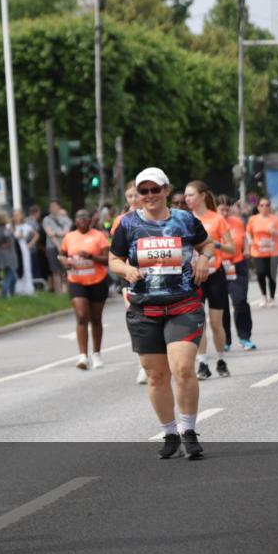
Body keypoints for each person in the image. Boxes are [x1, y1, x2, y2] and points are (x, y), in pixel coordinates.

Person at [109, 168, 214, 460]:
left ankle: (189, 431)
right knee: (156, 376)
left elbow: (207, 243)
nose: (150, 196)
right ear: (138, 195)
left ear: (166, 189)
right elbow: (114, 259)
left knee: (182, 369)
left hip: (183, 304)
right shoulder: (128, 224)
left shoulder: (183, 219)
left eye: (155, 190)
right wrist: (126, 269)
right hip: (145, 309)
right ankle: (169, 433)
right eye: (144, 191)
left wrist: (204, 258)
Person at [185, 181, 234, 379]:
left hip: (215, 275)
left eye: (191, 195)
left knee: (215, 323)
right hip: (195, 276)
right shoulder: (184, 219)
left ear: (202, 196)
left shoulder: (217, 219)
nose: (187, 199)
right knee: (199, 322)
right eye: (185, 195)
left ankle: (221, 359)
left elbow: (233, 248)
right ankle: (203, 363)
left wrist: (215, 245)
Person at [58, 209, 110, 369]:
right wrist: (65, 262)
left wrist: (91, 257)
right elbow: (61, 255)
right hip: (76, 280)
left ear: (90, 220)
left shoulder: (98, 236)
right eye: (79, 218)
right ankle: (82, 356)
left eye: (85, 217)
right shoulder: (69, 237)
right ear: (75, 221)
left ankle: (97, 354)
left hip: (97, 281)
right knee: (81, 316)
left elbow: (108, 259)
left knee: (96, 319)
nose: (82, 220)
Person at [114, 181, 148, 385]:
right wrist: (126, 269)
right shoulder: (122, 220)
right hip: (131, 278)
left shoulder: (155, 217)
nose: (134, 200)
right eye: (130, 196)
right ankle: (142, 364)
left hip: (156, 276)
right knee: (136, 320)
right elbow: (116, 254)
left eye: (137, 195)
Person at [216, 196, 255, 350]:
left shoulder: (237, 222)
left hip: (237, 264)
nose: (225, 213)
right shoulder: (213, 223)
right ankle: (226, 341)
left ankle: (245, 337)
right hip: (219, 266)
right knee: (222, 305)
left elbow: (243, 239)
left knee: (240, 301)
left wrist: (246, 249)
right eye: (221, 210)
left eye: (227, 209)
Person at [246, 197, 278, 308]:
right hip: (258, 251)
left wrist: (275, 232)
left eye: (267, 205)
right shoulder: (253, 219)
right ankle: (264, 296)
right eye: (262, 205)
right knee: (261, 273)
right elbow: (248, 232)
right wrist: (250, 241)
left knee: (271, 274)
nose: (264, 207)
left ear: (270, 207)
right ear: (258, 207)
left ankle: (272, 298)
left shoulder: (275, 219)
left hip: (274, 251)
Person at [42, 200, 72, 293]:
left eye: (54, 206)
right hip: (52, 247)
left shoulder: (66, 219)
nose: (52, 208)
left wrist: (57, 233)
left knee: (66, 269)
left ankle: (67, 291)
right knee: (55, 270)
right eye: (51, 207)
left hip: (65, 247)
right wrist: (59, 244)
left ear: (59, 207)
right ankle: (59, 292)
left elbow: (66, 232)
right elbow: (50, 234)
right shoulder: (46, 219)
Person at [0, 211, 18, 298]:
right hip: (8, 257)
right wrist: (3, 244)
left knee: (13, 277)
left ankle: (12, 294)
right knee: (9, 276)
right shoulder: (6, 231)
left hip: (1, 256)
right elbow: (7, 242)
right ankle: (4, 295)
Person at [12, 209, 36, 296]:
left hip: (23, 248)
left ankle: (27, 289)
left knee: (26, 267)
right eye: (14, 215)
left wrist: (30, 244)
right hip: (14, 249)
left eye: (17, 215)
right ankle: (18, 288)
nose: (16, 217)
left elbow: (36, 235)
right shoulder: (10, 226)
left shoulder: (26, 226)